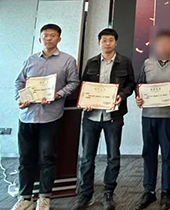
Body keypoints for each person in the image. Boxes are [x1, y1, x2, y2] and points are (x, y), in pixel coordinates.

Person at [11, 24, 79, 210]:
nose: (48, 38)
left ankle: (44, 197)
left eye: (52, 35)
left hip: (51, 116)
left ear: (59, 39)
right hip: (27, 116)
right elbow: (19, 82)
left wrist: (57, 95)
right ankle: (25, 197)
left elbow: (74, 82)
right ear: (40, 39)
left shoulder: (67, 60)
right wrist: (20, 98)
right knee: (25, 158)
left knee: (47, 157)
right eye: (45, 35)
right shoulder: (31, 59)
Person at [73, 28, 135, 210]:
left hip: (113, 116)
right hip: (91, 116)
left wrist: (121, 95)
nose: (107, 43)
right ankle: (85, 194)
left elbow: (131, 84)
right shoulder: (91, 62)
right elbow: (83, 86)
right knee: (87, 157)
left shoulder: (125, 62)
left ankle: (109, 193)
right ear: (99, 42)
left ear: (116, 42)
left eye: (110, 40)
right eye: (104, 40)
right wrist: (85, 101)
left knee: (113, 156)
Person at [134, 31, 170, 210]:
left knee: (167, 154)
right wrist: (138, 98)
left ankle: (166, 191)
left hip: (169, 116)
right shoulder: (147, 63)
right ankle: (149, 190)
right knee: (148, 153)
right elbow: (139, 85)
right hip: (148, 116)